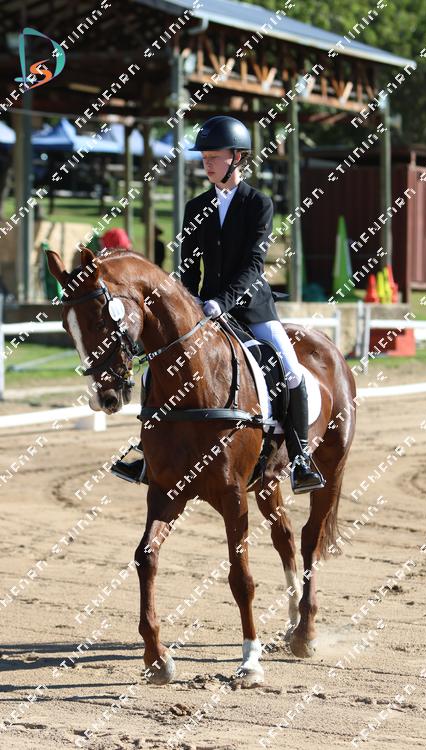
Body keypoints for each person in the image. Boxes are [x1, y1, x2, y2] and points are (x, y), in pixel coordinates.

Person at [112, 115, 324, 494]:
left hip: (251, 308)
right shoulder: (196, 207)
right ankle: (147, 454)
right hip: (203, 310)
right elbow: (187, 268)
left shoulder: (258, 204)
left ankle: (300, 458)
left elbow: (253, 266)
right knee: (152, 373)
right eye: (204, 156)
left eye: (214, 156)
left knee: (291, 370)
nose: (206, 163)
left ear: (237, 158)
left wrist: (221, 302)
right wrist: (187, 304)